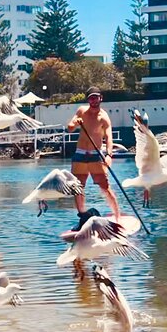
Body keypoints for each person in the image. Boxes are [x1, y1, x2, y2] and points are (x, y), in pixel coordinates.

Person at [67, 87, 120, 230]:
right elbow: (69, 127)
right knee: (78, 188)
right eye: (91, 98)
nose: (94, 100)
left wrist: (109, 155)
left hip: (96, 156)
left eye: (96, 97)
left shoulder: (104, 117)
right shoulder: (81, 111)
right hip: (80, 155)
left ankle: (117, 218)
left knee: (105, 188)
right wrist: (75, 123)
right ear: (88, 100)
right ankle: (83, 217)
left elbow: (109, 137)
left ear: (101, 98)